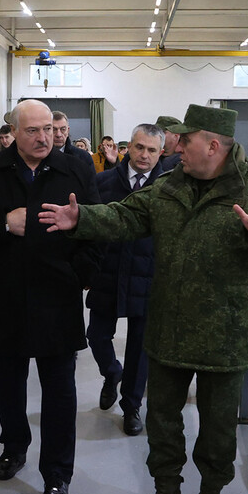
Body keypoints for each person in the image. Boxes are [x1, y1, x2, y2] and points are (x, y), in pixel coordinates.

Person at [39, 104, 248, 494]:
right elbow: (128, 215)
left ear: (212, 144)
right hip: (168, 328)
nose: (175, 146)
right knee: (162, 421)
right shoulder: (170, 186)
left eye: (183, 140)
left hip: (226, 334)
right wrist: (83, 219)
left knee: (218, 427)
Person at [0, 99, 101, 494]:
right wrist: (4, 223)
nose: (43, 138)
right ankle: (14, 447)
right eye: (32, 130)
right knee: (8, 384)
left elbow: (97, 224)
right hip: (6, 296)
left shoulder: (76, 169)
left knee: (59, 391)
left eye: (49, 129)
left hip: (57, 296)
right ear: (13, 131)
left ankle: (56, 474)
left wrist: (83, 273)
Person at [86, 124, 169, 437]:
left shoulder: (168, 189)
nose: (144, 155)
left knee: (140, 348)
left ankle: (132, 406)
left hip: (149, 278)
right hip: (108, 272)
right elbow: (90, 228)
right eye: (139, 147)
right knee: (96, 335)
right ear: (127, 148)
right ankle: (111, 373)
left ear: (161, 152)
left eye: (151, 150)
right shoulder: (104, 183)